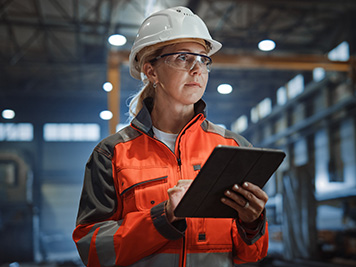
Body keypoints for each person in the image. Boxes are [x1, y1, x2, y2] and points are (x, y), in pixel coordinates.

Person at [73, 6, 269, 267]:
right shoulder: (112, 154)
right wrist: (163, 217)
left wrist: (252, 223)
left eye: (203, 59)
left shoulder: (233, 146)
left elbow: (251, 254)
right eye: (183, 58)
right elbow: (92, 250)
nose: (197, 69)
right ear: (151, 71)